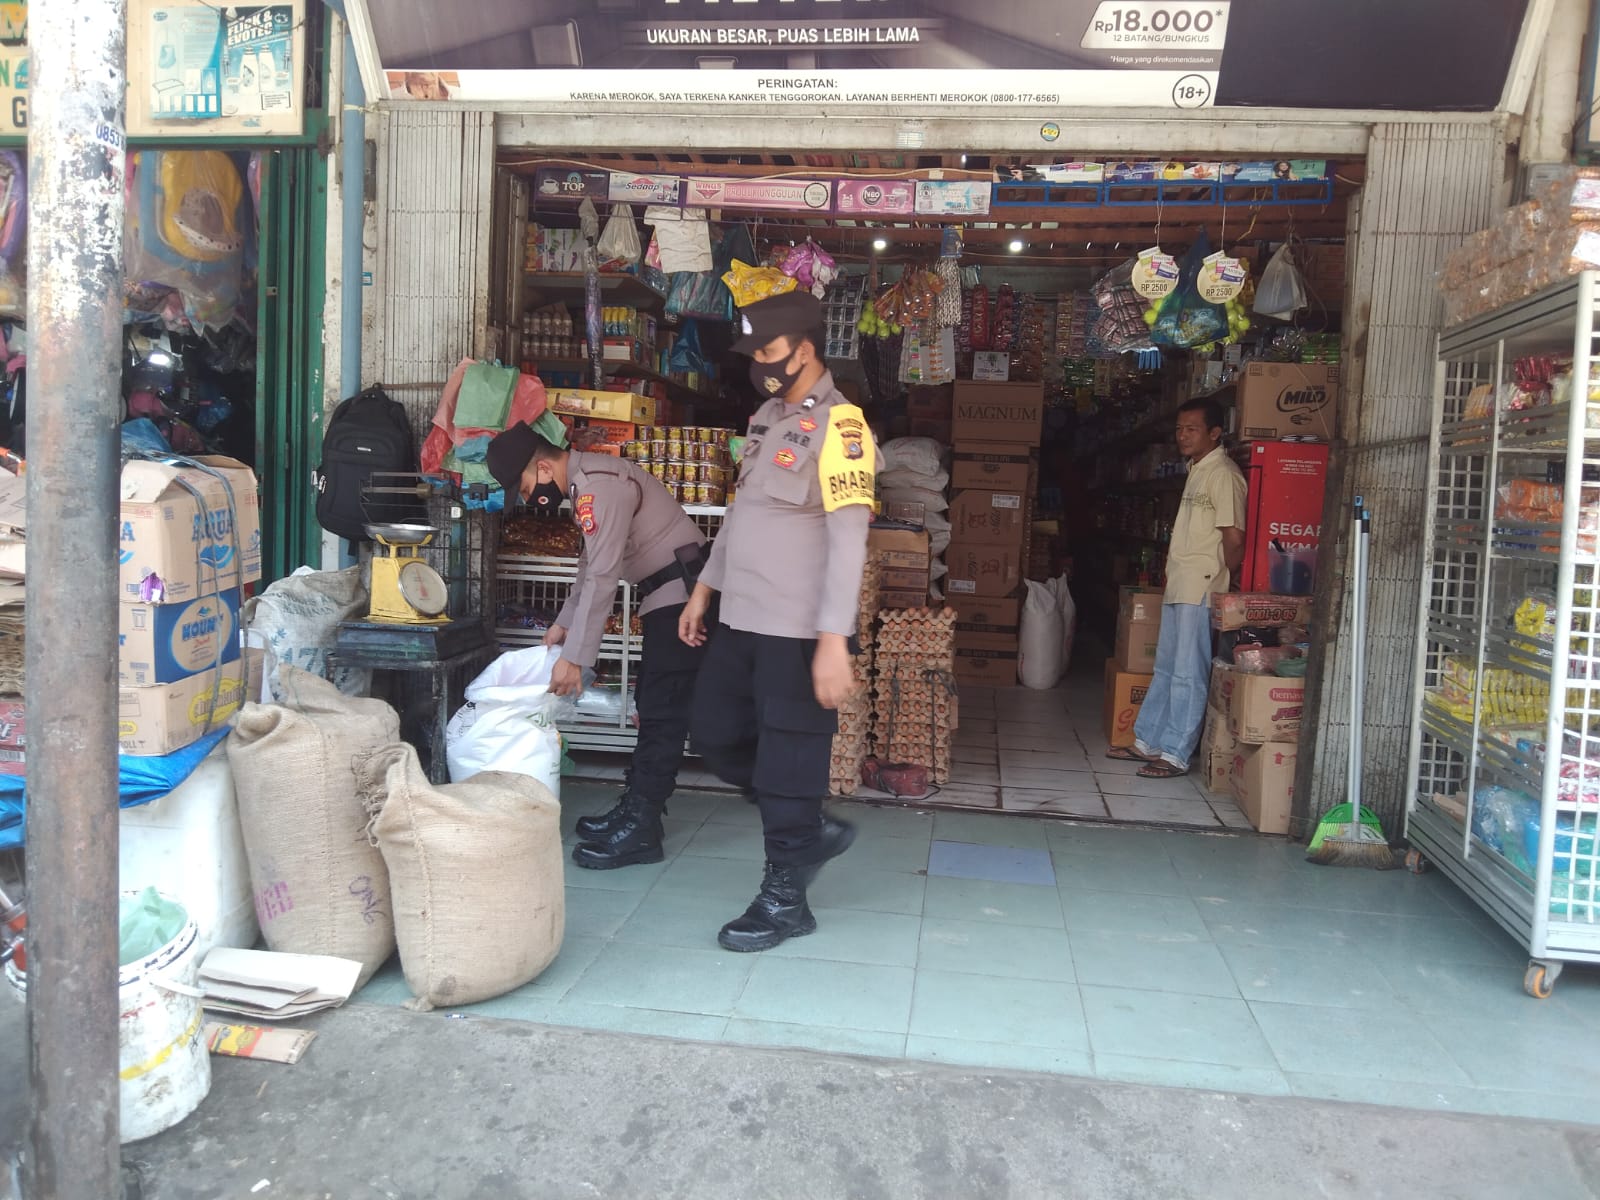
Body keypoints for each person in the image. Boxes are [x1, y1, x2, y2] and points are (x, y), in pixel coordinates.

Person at [678, 289, 875, 953]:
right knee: (713, 732)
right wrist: (704, 591)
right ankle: (806, 827)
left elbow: (849, 539)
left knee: (790, 761)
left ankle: (786, 897)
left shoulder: (844, 428)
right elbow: (742, 516)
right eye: (753, 352)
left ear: (806, 348)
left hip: (798, 630)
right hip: (740, 616)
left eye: (768, 349)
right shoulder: (765, 417)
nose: (758, 362)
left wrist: (833, 639)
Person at [486, 424, 711, 870]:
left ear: (543, 467)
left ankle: (642, 826)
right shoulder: (587, 484)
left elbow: (605, 577)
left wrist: (576, 659)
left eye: (526, 487)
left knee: (662, 714)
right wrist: (563, 624)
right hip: (669, 597)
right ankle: (637, 811)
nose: (529, 498)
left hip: (684, 602)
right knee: (654, 706)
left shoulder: (598, 488)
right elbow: (589, 568)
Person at [1108, 396, 1246, 780]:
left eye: (1192, 429)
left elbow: (1234, 537)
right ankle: (1149, 741)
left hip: (1201, 585)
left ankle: (1175, 753)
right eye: (1179, 429)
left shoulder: (1224, 475)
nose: (1182, 436)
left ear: (1214, 433)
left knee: (1188, 671)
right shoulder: (1196, 470)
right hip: (1180, 583)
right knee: (1167, 667)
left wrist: (1224, 575)